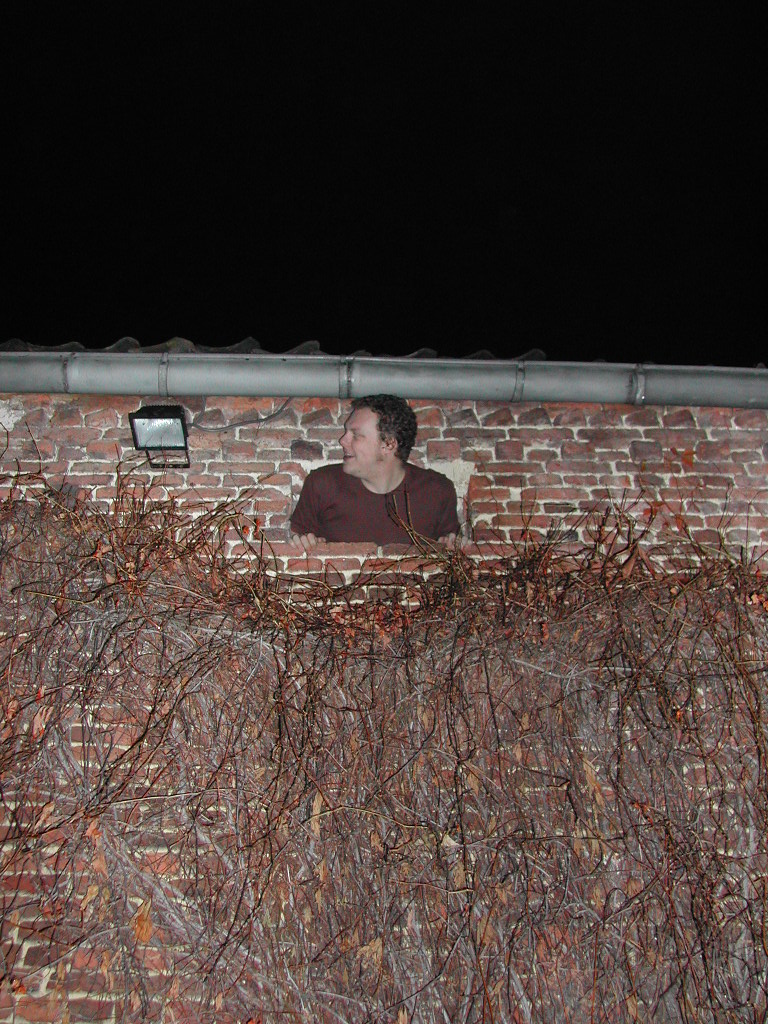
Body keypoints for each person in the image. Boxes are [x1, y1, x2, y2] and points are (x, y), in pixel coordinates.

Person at [290, 394, 459, 551]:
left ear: (388, 444)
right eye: (346, 432)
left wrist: (458, 545)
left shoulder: (436, 491)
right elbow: (295, 551)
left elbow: (454, 557)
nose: (342, 440)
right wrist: (301, 543)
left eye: (355, 434)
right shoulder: (322, 485)